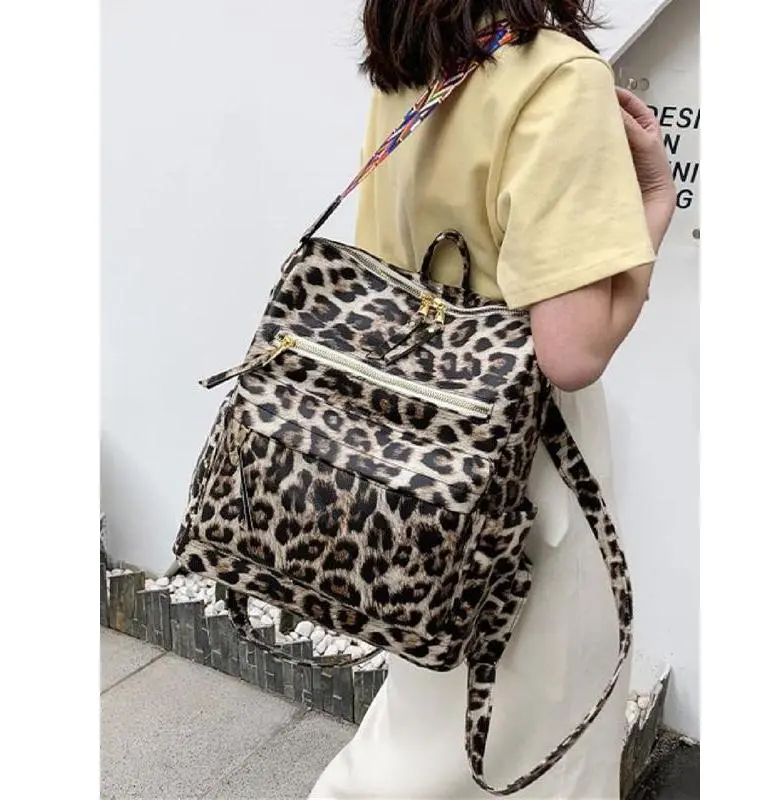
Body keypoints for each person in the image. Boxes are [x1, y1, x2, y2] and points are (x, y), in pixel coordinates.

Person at [309, 1, 676, 798]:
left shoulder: (412, 57)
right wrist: (655, 200)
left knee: (428, 714)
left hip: (410, 447)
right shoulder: (559, 78)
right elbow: (571, 352)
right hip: (522, 465)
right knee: (530, 735)